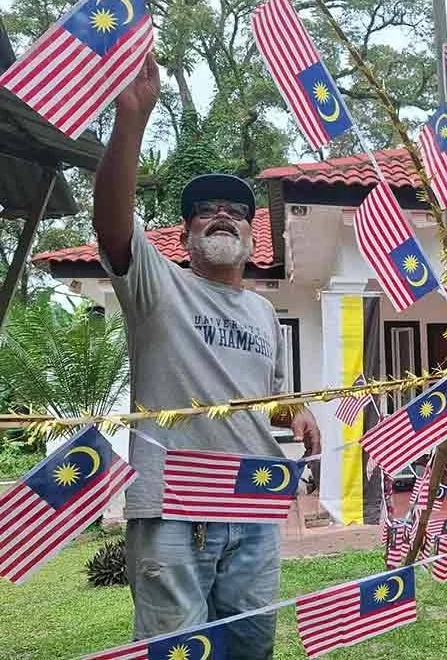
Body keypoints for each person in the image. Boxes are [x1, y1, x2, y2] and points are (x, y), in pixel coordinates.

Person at [94, 53, 321, 657]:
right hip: (174, 504)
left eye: (236, 211)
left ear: (250, 235)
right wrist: (131, 119)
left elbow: (266, 397)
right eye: (205, 210)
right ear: (186, 233)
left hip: (253, 499)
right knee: (177, 648)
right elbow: (112, 226)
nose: (222, 214)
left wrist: (295, 411)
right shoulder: (157, 285)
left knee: (251, 645)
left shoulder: (265, 314)